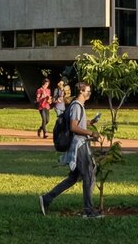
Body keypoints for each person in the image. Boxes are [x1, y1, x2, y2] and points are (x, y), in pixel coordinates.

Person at [38, 81, 101, 218]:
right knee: (89, 176)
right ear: (81, 92)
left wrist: (90, 122)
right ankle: (89, 211)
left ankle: (47, 198)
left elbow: (77, 122)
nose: (89, 93)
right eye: (88, 91)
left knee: (73, 178)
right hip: (79, 146)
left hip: (78, 145)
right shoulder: (77, 106)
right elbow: (73, 127)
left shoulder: (77, 106)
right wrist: (91, 133)